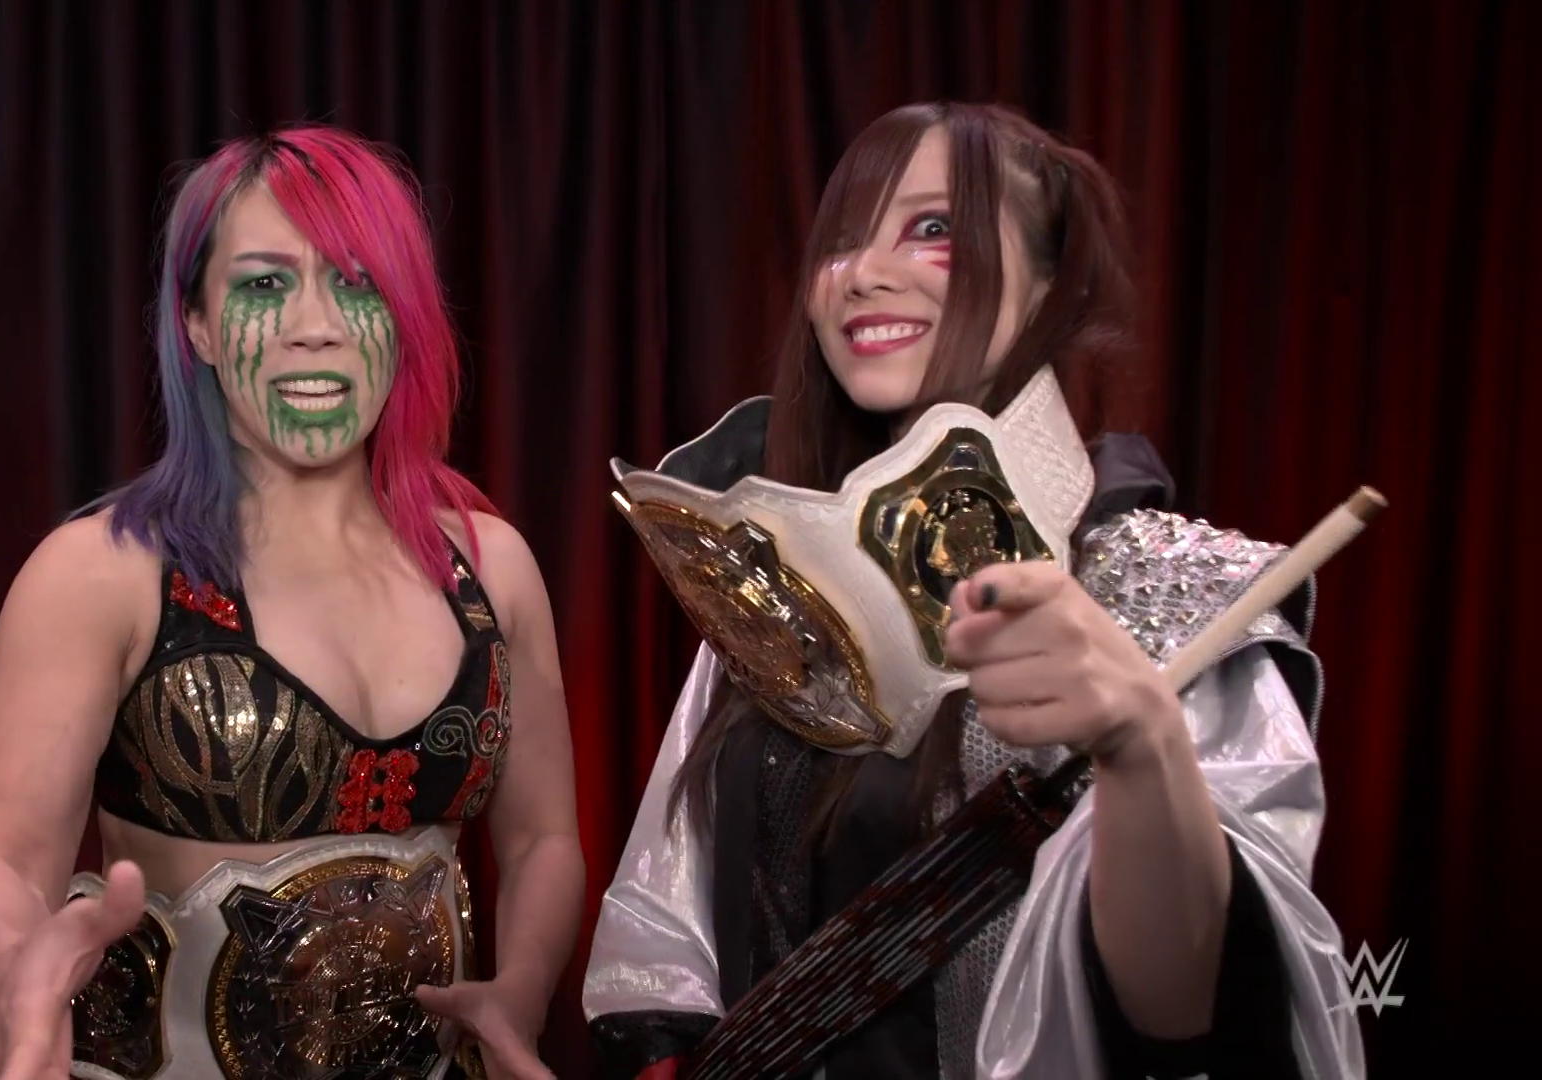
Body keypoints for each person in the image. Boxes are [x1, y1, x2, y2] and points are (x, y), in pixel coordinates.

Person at [582, 102, 1366, 1079]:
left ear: (1050, 278)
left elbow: (1187, 1009)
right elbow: (673, 931)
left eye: (933, 228)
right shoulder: (775, 585)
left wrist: (1144, 742)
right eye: (842, 240)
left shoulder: (1174, 588)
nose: (862, 273)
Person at [0, 124, 585, 1080]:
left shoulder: (491, 568)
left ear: (403, 316)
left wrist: (519, 991)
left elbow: (541, 841)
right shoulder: (101, 574)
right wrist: (6, 975)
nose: (314, 324)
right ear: (195, 323)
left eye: (356, 283)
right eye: (266, 283)